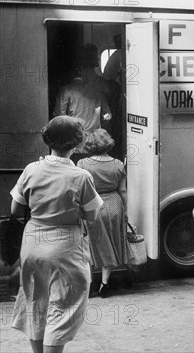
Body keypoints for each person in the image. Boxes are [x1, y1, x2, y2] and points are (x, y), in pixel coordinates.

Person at [9, 116, 104, 353]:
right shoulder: (80, 176)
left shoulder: (32, 169)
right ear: (76, 144)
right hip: (65, 246)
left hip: (32, 244)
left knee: (35, 300)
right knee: (63, 307)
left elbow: (15, 209)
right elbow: (92, 217)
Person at [77, 129, 128, 298]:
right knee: (109, 245)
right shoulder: (119, 164)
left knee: (90, 245)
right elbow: (123, 190)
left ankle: (90, 285)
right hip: (114, 205)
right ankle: (104, 285)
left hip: (92, 206)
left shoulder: (82, 164)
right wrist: (125, 210)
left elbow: (79, 190)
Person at [54, 44, 112, 162]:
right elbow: (108, 116)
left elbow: (59, 116)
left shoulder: (67, 91)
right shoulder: (98, 90)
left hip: (74, 141)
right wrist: (99, 123)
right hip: (94, 142)